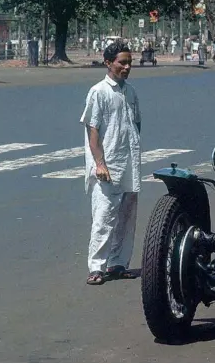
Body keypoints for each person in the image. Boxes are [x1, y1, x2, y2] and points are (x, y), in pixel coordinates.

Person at [80, 41, 141, 286]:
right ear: (108, 63)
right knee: (104, 216)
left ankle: (118, 263)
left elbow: (136, 124)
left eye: (129, 63)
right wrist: (100, 163)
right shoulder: (99, 92)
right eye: (122, 62)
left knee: (127, 216)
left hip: (129, 163)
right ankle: (97, 267)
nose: (126, 67)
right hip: (107, 165)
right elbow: (92, 129)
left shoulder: (131, 92)